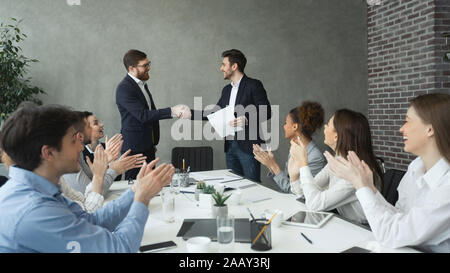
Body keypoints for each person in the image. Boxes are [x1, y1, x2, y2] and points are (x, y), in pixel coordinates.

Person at [0, 103, 175, 252]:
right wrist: (142, 199)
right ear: (48, 153)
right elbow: (119, 249)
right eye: (73, 140)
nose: (80, 146)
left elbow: (92, 220)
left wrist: (137, 189)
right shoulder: (35, 211)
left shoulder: (37, 190)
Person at [325, 93, 450, 253]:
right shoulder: (415, 167)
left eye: (407, 121)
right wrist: (370, 189)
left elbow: (393, 234)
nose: (401, 128)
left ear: (429, 129)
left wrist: (361, 185)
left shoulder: (446, 188)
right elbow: (399, 217)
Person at [289, 109, 383, 224]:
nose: (324, 127)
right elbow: (307, 194)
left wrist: (303, 163)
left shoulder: (355, 172)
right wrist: (294, 177)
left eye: (328, 124)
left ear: (336, 136)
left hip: (362, 232)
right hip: (345, 225)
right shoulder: (338, 161)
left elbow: (314, 204)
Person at [191, 49, 271, 182]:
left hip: (249, 146)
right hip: (230, 146)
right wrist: (190, 114)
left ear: (234, 66)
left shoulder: (253, 85)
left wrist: (246, 119)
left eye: (224, 64)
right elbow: (214, 113)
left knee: (253, 185)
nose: (221, 68)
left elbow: (266, 111)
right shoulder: (226, 90)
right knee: (234, 184)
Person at [116, 49, 190, 179]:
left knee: (150, 183)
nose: (149, 68)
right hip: (135, 150)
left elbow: (150, 113)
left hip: (147, 146)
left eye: (148, 63)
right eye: (145, 65)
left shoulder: (142, 85)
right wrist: (172, 111)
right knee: (135, 186)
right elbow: (143, 115)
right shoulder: (124, 88)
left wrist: (151, 142)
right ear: (132, 68)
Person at [64, 111, 146, 195]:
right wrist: (114, 169)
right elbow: (92, 193)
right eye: (94, 124)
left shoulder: (78, 152)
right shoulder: (68, 156)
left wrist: (108, 164)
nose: (102, 125)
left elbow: (93, 181)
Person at [253, 101, 326, 193]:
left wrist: (274, 166)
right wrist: (269, 164)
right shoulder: (296, 148)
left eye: (285, 123)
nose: (284, 126)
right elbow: (288, 184)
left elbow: (297, 193)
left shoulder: (315, 157)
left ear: (295, 127)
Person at [82, 112, 123, 181]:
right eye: (96, 123)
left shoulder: (107, 147)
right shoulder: (80, 153)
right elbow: (88, 181)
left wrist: (114, 162)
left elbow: (117, 177)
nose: (101, 125)